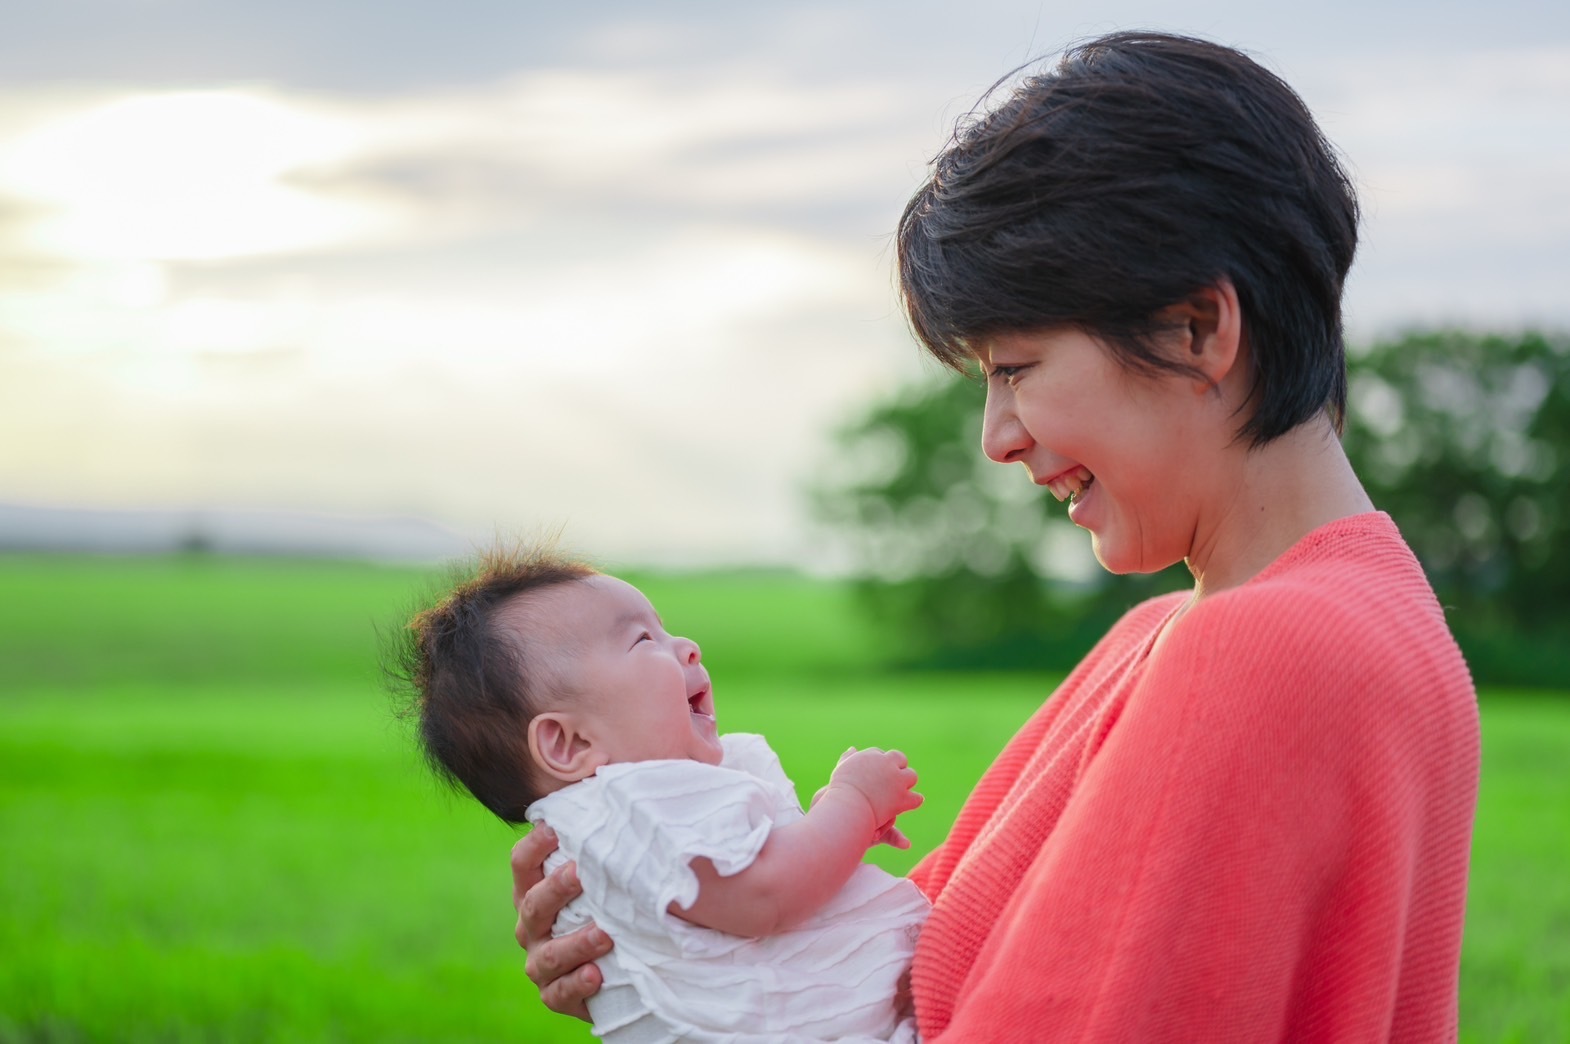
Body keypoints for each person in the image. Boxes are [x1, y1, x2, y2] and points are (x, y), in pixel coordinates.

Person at [513, 31, 1480, 1042]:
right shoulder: (1299, 625)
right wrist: (676, 942)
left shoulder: (1254, 653)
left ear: (1196, 329)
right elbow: (923, 952)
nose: (997, 437)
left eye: (1015, 367)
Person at [395, 548, 930, 1043]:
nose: (687, 645)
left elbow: (750, 893)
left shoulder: (622, 821)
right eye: (643, 641)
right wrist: (853, 803)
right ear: (568, 742)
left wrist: (825, 835)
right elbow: (764, 894)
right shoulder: (632, 805)